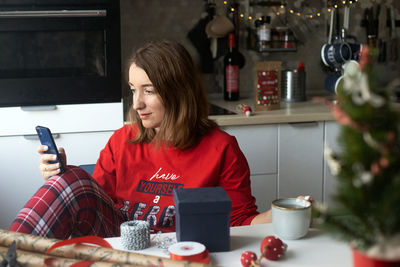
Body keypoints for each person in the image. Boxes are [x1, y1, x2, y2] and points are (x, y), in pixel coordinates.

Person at [9, 41, 305, 239]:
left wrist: (286, 214)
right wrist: (61, 178)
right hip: (123, 244)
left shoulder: (221, 149)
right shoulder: (122, 141)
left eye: (148, 90)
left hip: (181, 250)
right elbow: (92, 203)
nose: (137, 104)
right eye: (133, 89)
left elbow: (238, 221)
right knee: (70, 180)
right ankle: (14, 256)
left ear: (178, 91)